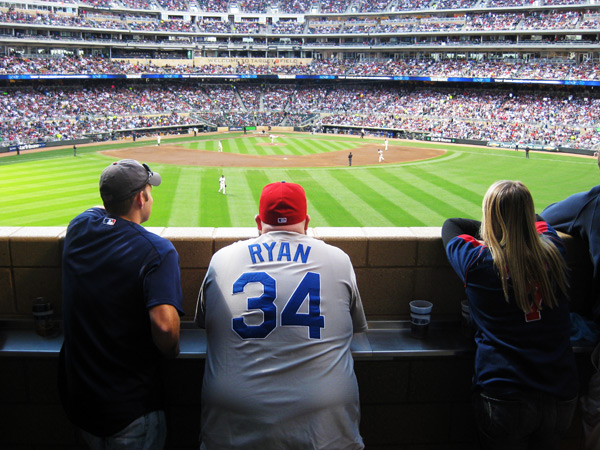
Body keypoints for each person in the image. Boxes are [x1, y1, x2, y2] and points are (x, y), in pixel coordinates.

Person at [195, 181, 367, 450]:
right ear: (307, 222)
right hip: (324, 425)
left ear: (258, 222)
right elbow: (356, 328)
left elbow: (206, 325)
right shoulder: (338, 260)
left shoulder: (221, 259)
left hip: (233, 420)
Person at [442, 180, 578, 450]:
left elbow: (451, 225)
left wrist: (491, 224)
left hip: (505, 392)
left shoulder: (477, 261)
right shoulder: (555, 250)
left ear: (489, 216)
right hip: (560, 390)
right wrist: (518, 219)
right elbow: (540, 221)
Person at [59, 159, 184, 449]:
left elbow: (101, 212)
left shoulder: (79, 227)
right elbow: (165, 328)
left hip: (81, 401)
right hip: (131, 409)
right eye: (149, 191)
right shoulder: (158, 250)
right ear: (141, 198)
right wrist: (173, 351)